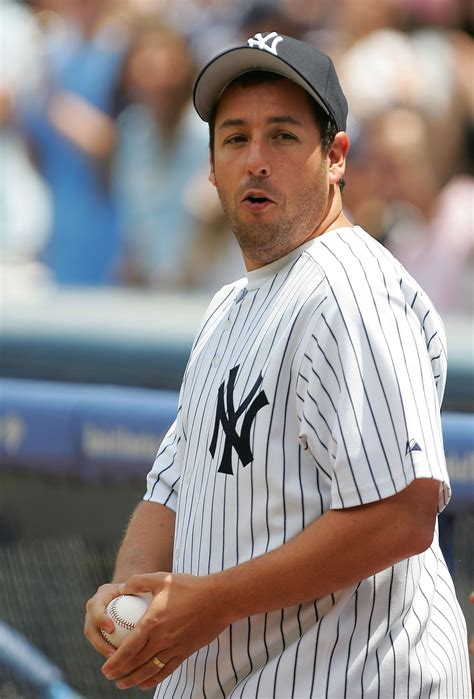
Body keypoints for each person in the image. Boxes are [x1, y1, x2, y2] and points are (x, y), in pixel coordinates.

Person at [84, 32, 470, 697]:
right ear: (209, 168)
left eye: (283, 136)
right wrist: (130, 591)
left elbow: (400, 513)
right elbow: (170, 492)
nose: (255, 160)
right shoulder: (229, 308)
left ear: (337, 157)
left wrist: (211, 602)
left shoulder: (351, 288)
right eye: (235, 139)